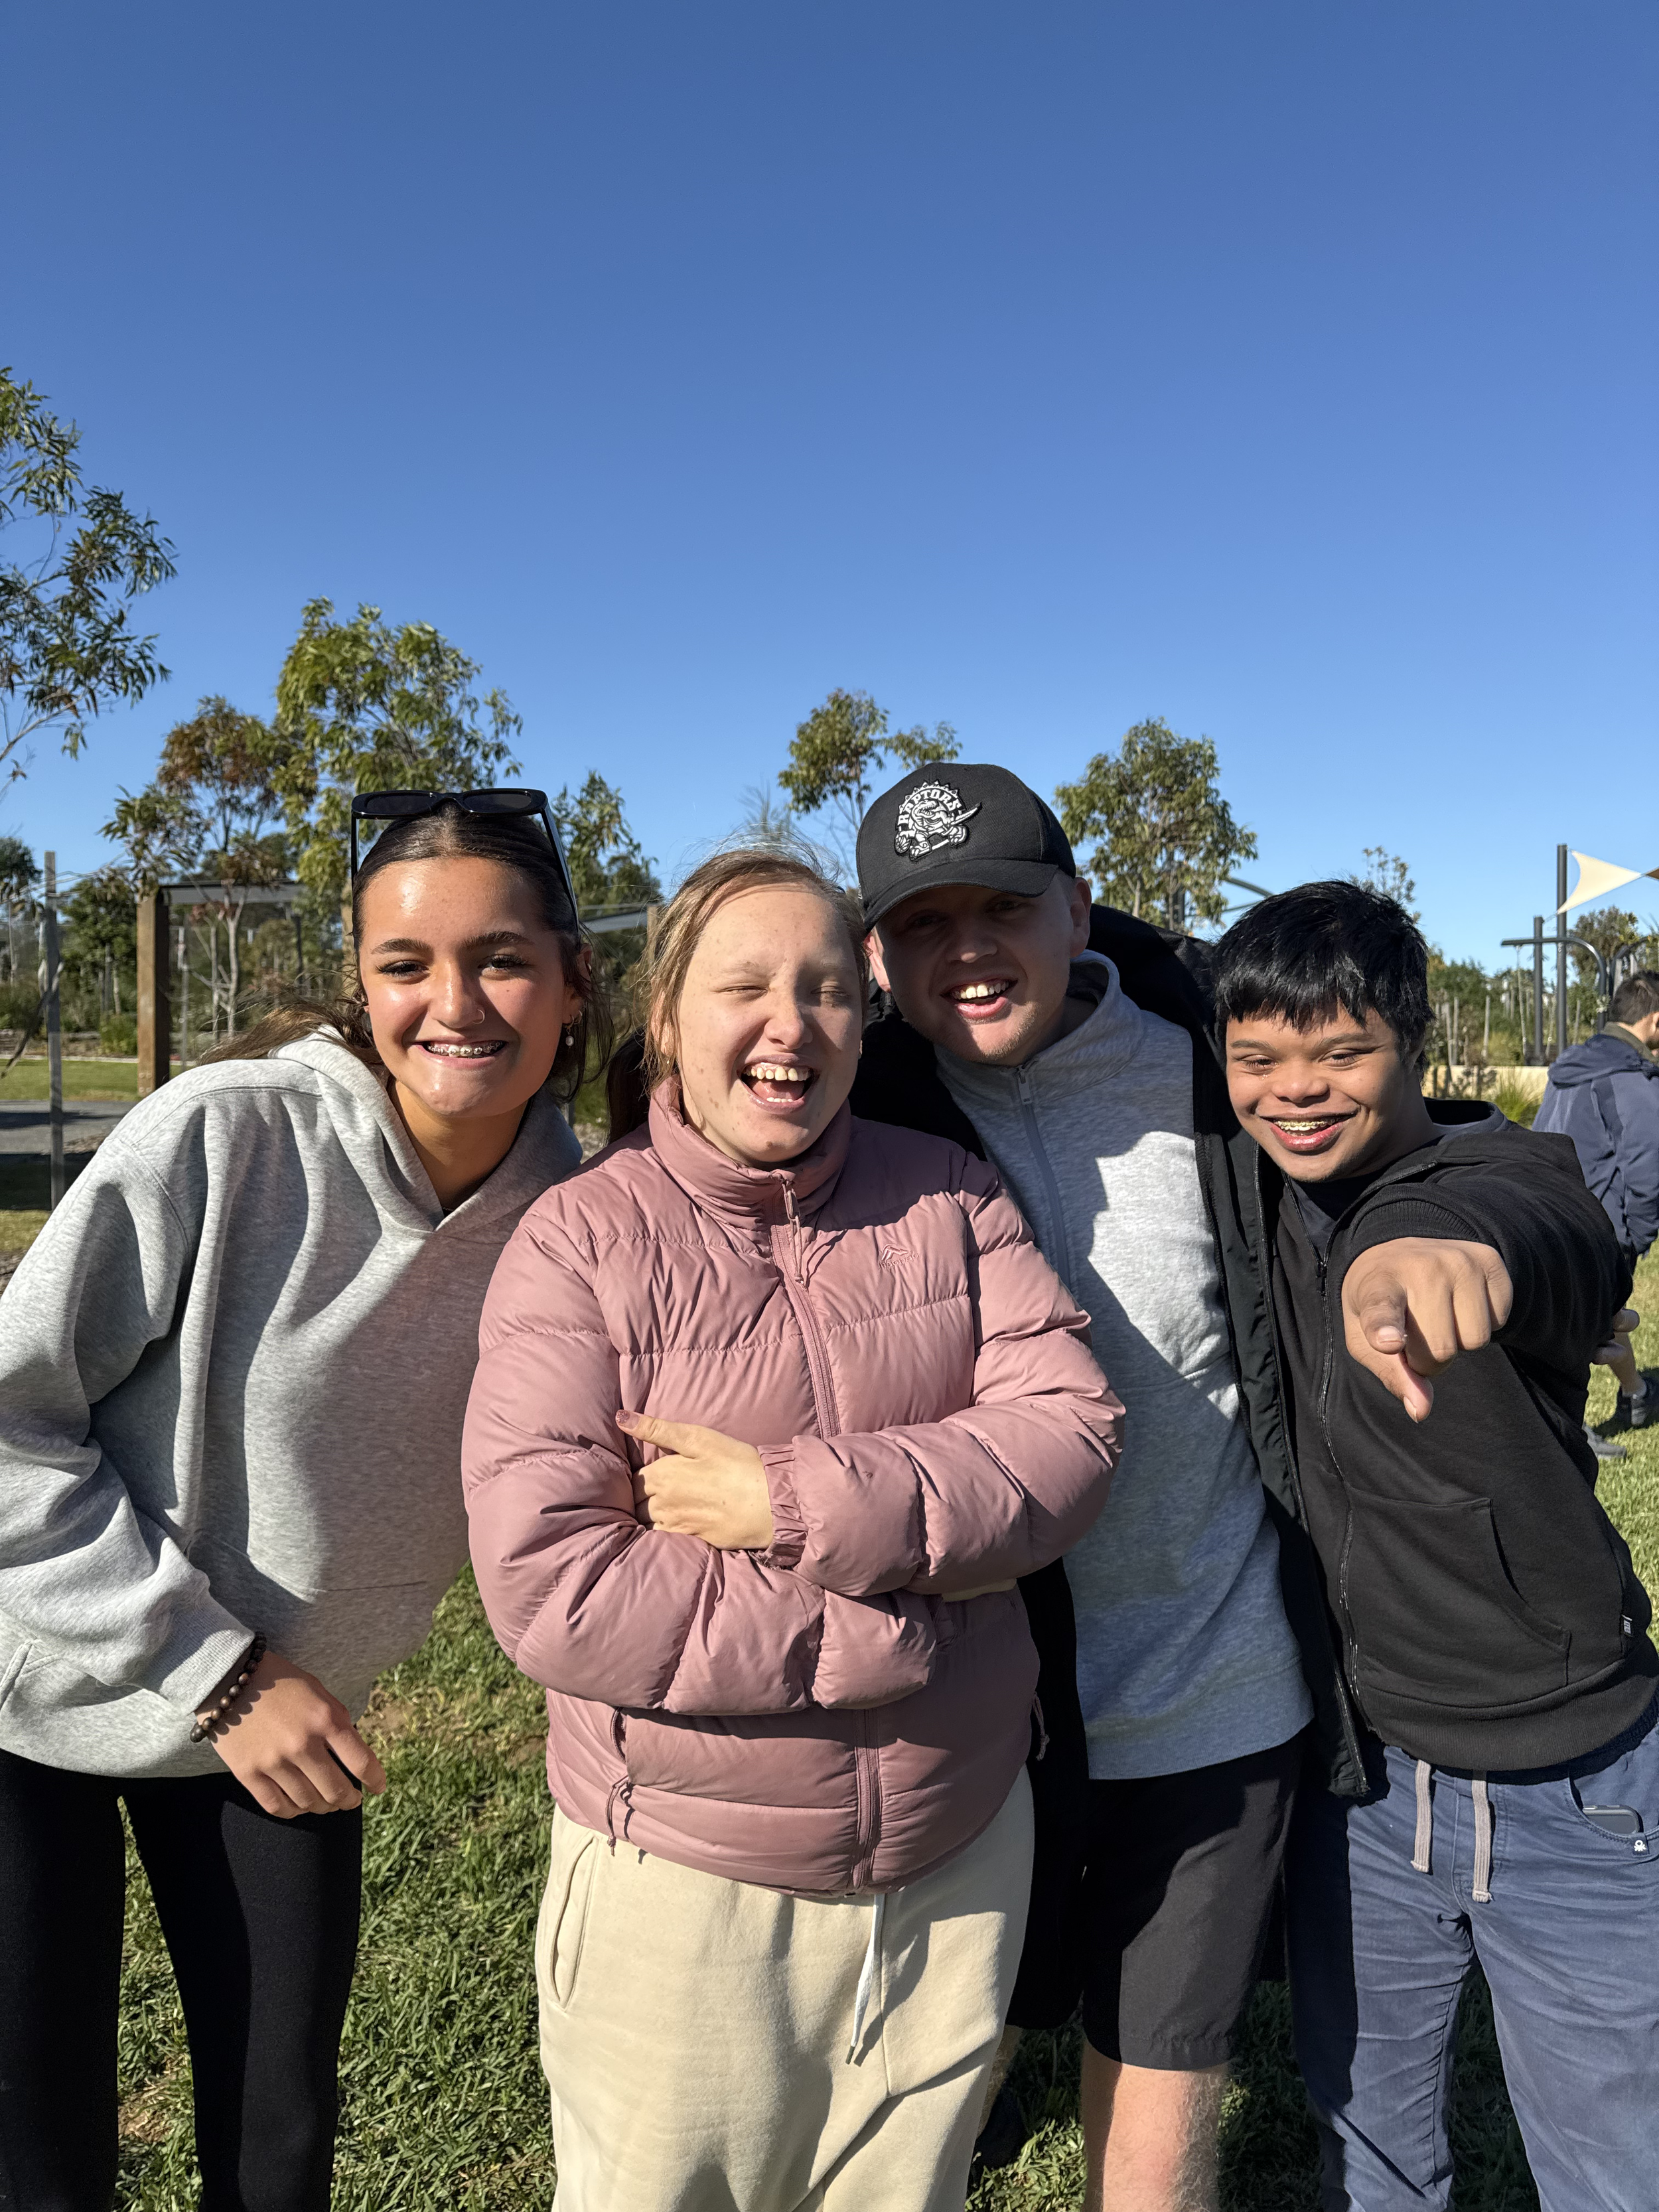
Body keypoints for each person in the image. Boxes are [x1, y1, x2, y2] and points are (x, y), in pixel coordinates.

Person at [463, 848, 1121, 2212]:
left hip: (955, 1862)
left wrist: (792, 1502)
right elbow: (558, 1586)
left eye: (827, 988)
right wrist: (905, 1616)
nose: (791, 1024)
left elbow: (1069, 1443)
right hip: (691, 1892)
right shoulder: (579, 1242)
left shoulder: (947, 1192)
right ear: (666, 1014)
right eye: (746, 985)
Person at [0, 791, 594, 2212]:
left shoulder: (577, 1204)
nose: (453, 1002)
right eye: (405, 964)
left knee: (278, 2149)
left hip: (289, 1720)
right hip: (30, 1691)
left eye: (501, 957)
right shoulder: (226, 1138)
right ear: (362, 980)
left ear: (574, 981)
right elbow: (12, 1422)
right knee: (42, 2155)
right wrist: (218, 1672)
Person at [851, 763, 1330, 2212]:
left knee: (1158, 2091)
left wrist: (1472, 1224)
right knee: (933, 2078)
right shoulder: (861, 1106)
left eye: (1000, 904)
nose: (967, 947)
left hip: (1214, 1685)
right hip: (976, 1711)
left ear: (1074, 906)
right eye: (922, 923)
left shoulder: (1210, 1059)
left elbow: (1412, 1141)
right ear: (879, 959)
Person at [1214, 879, 1658, 2212]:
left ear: (1418, 1049)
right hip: (1362, 1784)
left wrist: (1417, 1256)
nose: (1294, 1089)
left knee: (1614, 2166)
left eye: (1340, 1053)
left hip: (1573, 1783)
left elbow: (1550, 1238)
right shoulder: (1257, 1186)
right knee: (1368, 2149)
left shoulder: (1506, 1174)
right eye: (1256, 1060)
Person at [1536, 968, 1659, 1432]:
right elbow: (1650, 1169)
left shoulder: (1570, 1065)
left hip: (1550, 1213)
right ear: (1655, 1021)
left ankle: (1637, 1394)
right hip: (1598, 1227)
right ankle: (1574, 1433)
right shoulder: (1630, 1076)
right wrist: (1636, 1235)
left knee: (1596, 1317)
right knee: (1581, 1332)